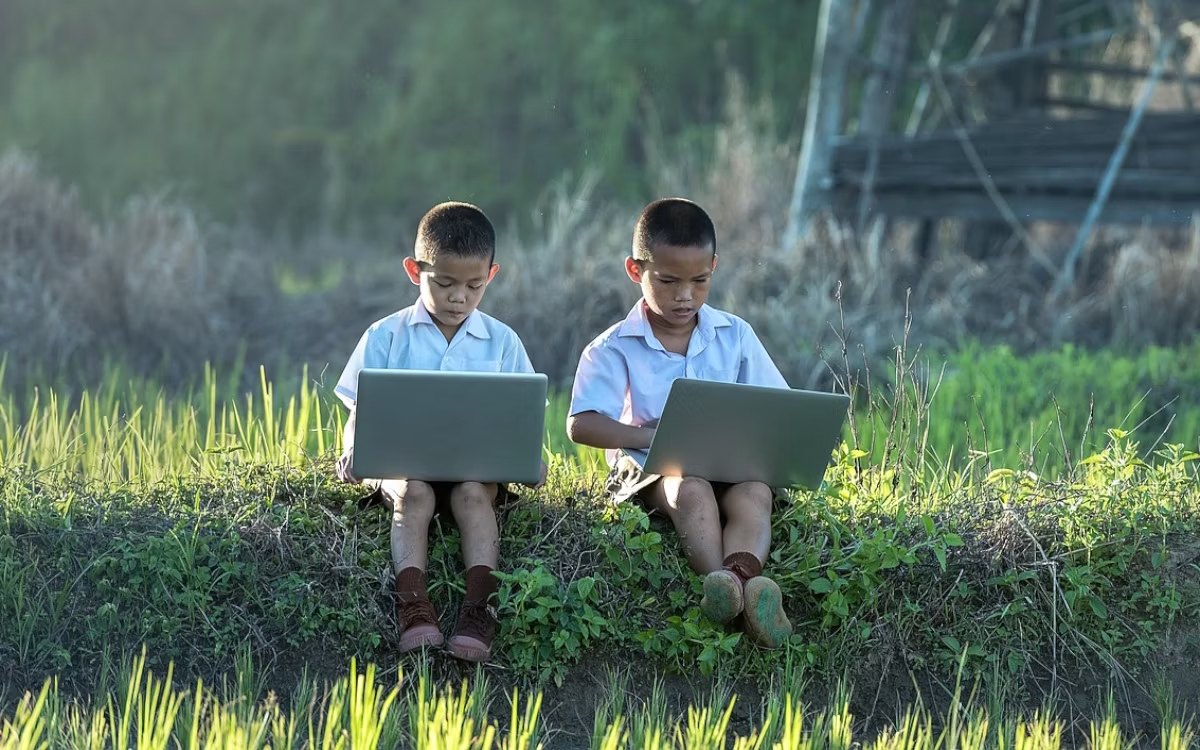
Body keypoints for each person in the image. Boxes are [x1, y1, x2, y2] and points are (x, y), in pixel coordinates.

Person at [566, 197, 793, 649]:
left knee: (755, 493)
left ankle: (736, 582)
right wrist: (648, 436)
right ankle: (730, 585)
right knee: (689, 490)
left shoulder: (735, 335)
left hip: (726, 458)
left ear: (714, 268)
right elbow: (582, 424)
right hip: (652, 462)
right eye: (668, 282)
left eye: (699, 281)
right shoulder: (614, 347)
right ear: (636, 270)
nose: (685, 295)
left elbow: (778, 405)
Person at [334, 201, 546, 662]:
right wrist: (353, 448)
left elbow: (521, 415)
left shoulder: (503, 342)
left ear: (491, 275)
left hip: (475, 469)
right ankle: (413, 606)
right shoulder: (385, 336)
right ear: (415, 271)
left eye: (474, 286)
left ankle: (480, 608)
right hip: (403, 465)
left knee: (473, 495)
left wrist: (532, 459)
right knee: (413, 494)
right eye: (445, 283)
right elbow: (360, 410)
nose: (459, 298)